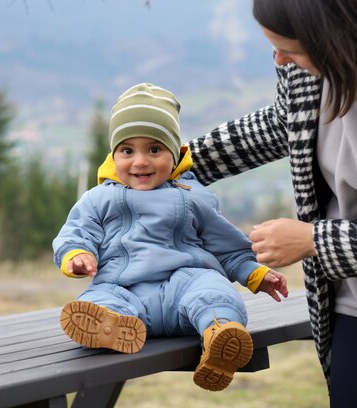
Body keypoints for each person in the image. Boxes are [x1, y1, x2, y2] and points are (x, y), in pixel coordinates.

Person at [187, 0, 357, 406]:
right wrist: (181, 160)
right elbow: (286, 120)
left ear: (337, 38)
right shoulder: (308, 64)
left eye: (293, 50)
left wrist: (314, 241)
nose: (279, 59)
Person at [53, 82, 289, 392]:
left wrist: (255, 274)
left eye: (154, 149)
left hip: (185, 285)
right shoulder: (98, 199)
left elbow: (227, 248)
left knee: (213, 290)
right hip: (125, 290)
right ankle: (108, 323)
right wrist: (77, 255)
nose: (140, 161)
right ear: (113, 155)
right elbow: (76, 233)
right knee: (100, 298)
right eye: (127, 150)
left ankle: (219, 334)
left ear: (175, 154)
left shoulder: (192, 197)